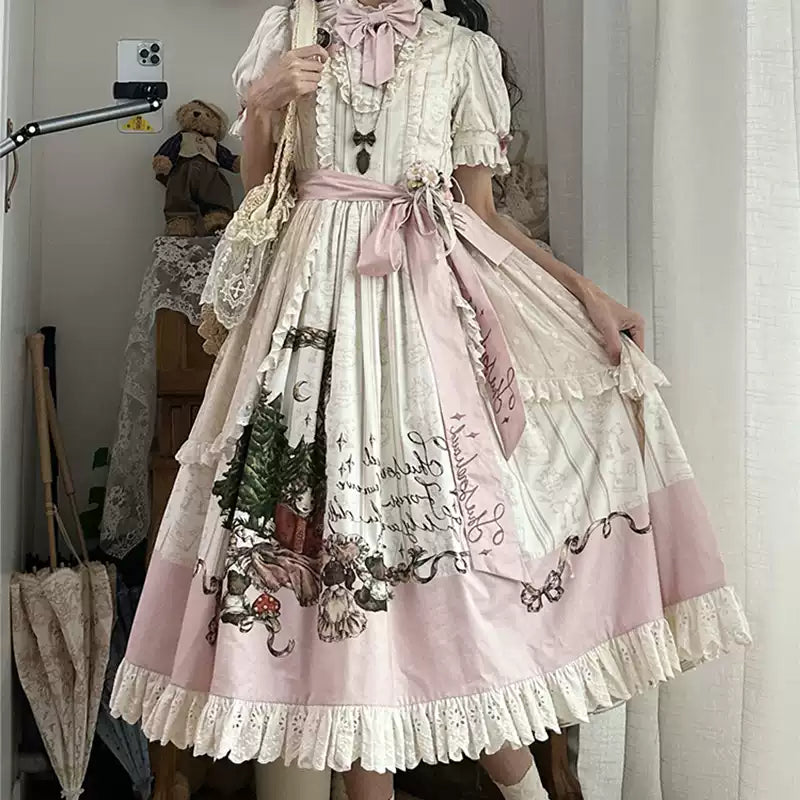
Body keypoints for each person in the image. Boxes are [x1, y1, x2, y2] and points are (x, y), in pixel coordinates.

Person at [111, 2, 751, 799]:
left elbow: (480, 214)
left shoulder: (460, 50)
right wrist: (265, 101)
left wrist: (582, 293)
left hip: (423, 331)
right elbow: (264, 192)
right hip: (313, 327)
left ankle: (524, 786)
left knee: (452, 568)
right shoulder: (290, 30)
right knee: (340, 565)